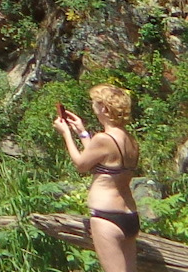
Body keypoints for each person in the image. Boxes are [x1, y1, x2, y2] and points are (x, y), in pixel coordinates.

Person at [56, 84, 142, 272]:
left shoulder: (103, 139)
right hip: (129, 215)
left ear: (104, 107)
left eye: (94, 102)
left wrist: (66, 134)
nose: (92, 106)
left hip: (107, 216)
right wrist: (82, 132)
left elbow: (81, 164)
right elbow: (100, 159)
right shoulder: (131, 141)